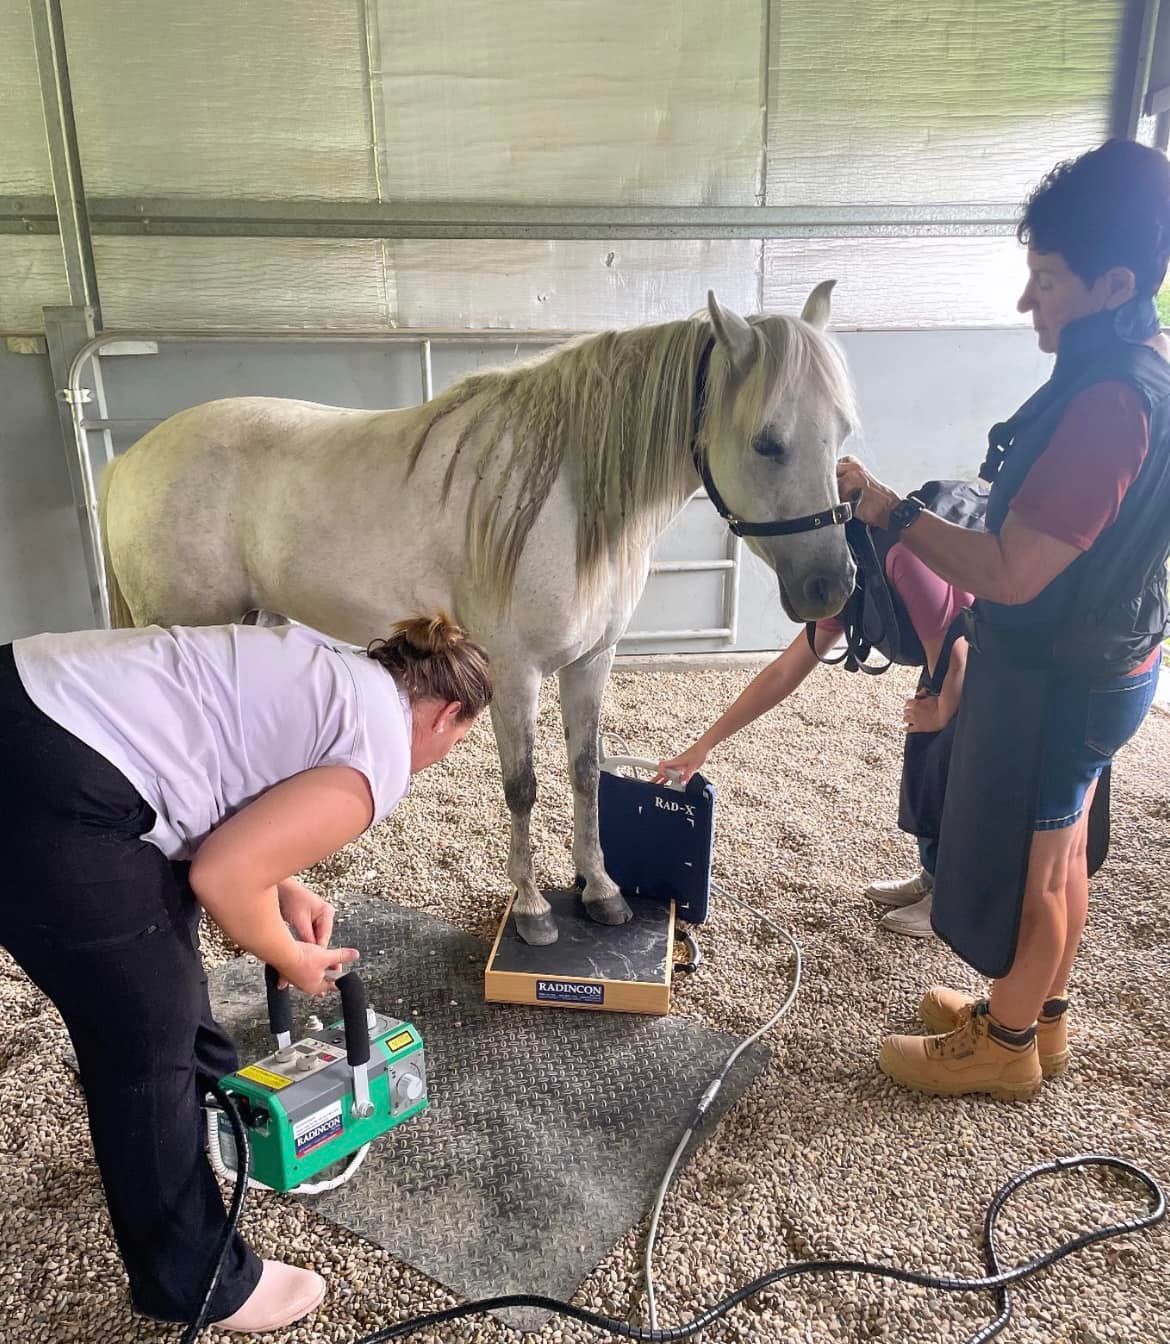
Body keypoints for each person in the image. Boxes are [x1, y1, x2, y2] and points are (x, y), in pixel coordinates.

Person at [0, 614, 491, 1331]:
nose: (449, 753)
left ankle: (196, 1137)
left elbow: (225, 773)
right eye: (462, 739)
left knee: (161, 956)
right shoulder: (381, 750)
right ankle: (197, 1282)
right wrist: (294, 958)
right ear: (448, 714)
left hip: (31, 699)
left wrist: (280, 883)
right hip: (52, 781)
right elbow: (225, 874)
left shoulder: (343, 667)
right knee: (145, 1030)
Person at [837, 138, 1170, 1101]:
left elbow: (1012, 572)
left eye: (1049, 282)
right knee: (1065, 849)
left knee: (1040, 871)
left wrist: (892, 511)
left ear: (1113, 282)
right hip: (1111, 660)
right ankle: (1041, 1017)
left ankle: (1006, 1043)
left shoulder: (1112, 403)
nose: (1030, 302)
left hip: (1066, 675)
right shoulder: (1144, 358)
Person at [657, 539, 972, 938]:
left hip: (985, 657)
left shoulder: (901, 556)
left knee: (951, 759)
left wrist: (943, 710)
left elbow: (956, 652)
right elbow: (783, 673)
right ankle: (933, 874)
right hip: (947, 661)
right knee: (924, 757)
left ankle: (953, 900)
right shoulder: (837, 580)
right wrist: (704, 746)